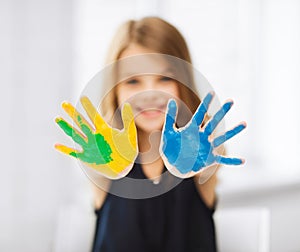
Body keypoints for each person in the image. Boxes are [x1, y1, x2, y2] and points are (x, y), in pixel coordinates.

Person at [89, 16, 230, 252]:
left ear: (182, 82)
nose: (149, 95)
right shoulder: (106, 159)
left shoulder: (201, 157)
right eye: (132, 81)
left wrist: (205, 162)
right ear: (115, 90)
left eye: (164, 78)